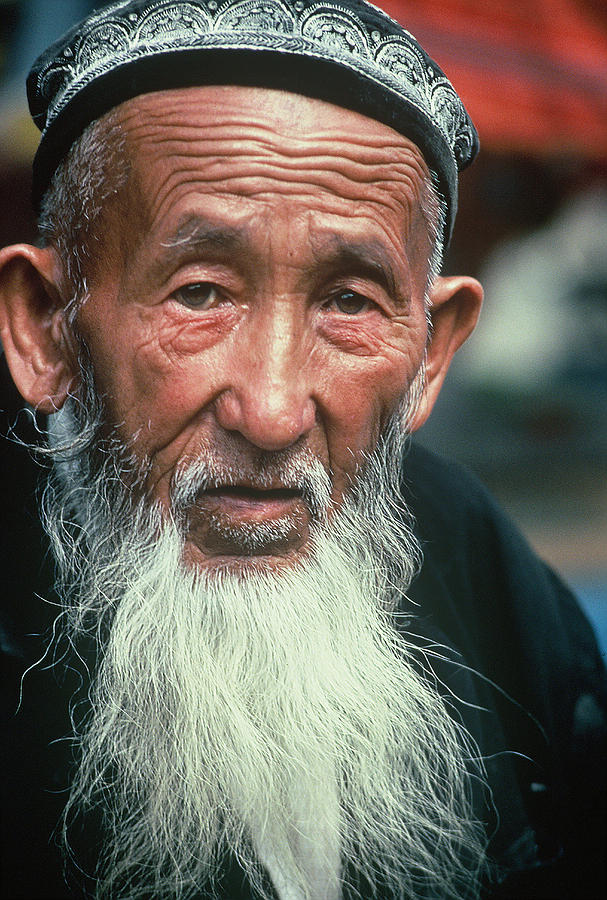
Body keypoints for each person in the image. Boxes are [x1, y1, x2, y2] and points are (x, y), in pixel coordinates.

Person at [0, 2, 604, 898]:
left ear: (432, 354)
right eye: (200, 294)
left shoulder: (475, 562)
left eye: (349, 303)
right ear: (45, 329)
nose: (274, 411)